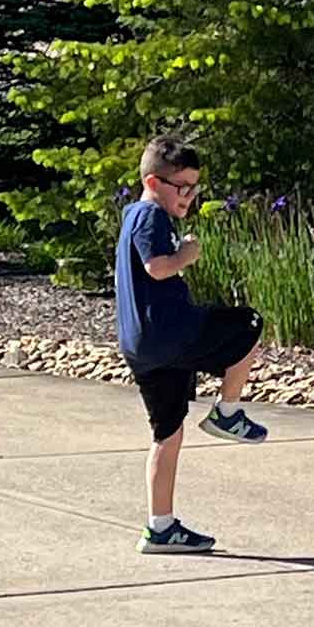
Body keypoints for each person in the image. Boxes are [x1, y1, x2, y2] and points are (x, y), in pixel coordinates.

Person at [115, 135, 268, 555]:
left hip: (142, 346)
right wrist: (186, 254)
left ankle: (160, 527)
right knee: (248, 323)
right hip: (170, 333)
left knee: (168, 432)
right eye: (181, 186)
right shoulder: (150, 216)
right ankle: (228, 412)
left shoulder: (131, 213)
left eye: (194, 187)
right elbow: (156, 267)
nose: (189, 195)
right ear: (153, 181)